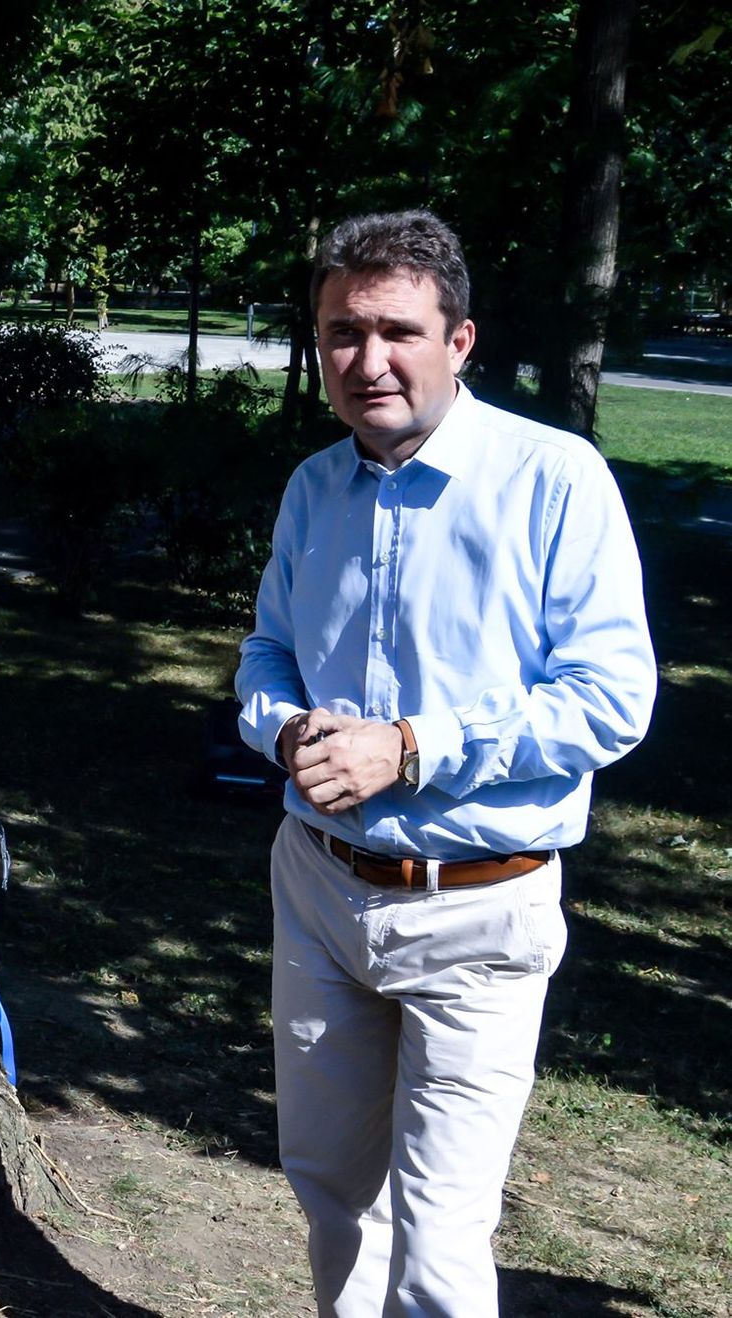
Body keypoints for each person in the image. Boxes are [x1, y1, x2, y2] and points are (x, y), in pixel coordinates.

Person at [235, 210, 656, 1317]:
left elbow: (611, 700)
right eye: (340, 332)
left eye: (396, 331)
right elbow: (268, 648)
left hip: (479, 904)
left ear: (457, 341)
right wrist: (280, 730)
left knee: (438, 1235)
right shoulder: (315, 488)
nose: (366, 361)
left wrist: (413, 748)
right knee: (332, 1192)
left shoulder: (554, 480)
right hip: (321, 886)